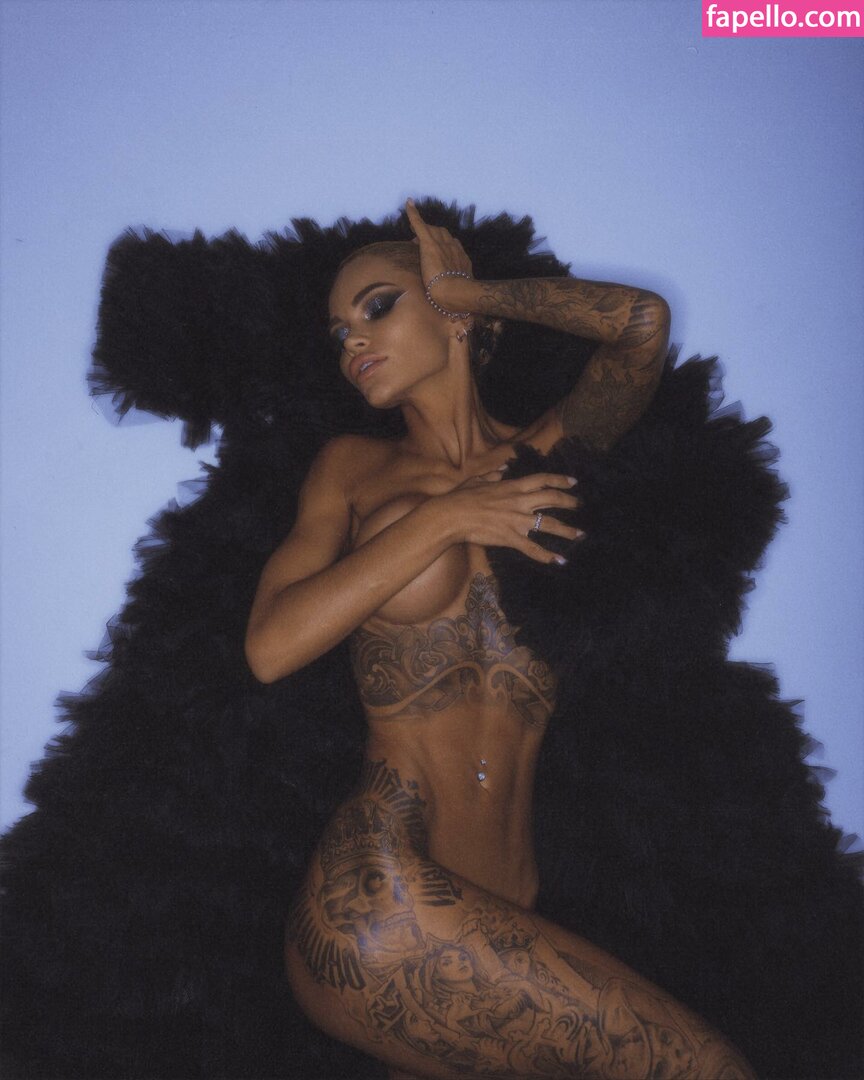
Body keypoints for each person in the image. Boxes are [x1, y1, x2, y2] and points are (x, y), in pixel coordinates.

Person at [245, 200, 756, 1079]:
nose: (352, 340)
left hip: (506, 914)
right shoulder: (351, 470)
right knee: (704, 1070)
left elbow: (641, 326)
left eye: (377, 307)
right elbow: (270, 647)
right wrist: (445, 518)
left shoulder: (547, 456)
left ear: (451, 318)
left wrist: (476, 292)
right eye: (337, 332)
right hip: (380, 898)